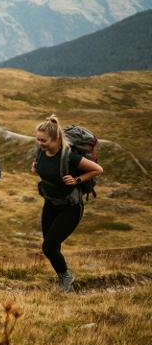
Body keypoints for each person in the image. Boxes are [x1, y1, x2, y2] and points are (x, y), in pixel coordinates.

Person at [32, 115, 103, 292]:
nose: (40, 143)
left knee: (48, 246)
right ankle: (64, 280)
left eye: (44, 140)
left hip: (70, 208)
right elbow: (43, 168)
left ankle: (66, 277)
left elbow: (97, 169)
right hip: (50, 204)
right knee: (52, 246)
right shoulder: (42, 151)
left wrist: (77, 179)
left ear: (56, 139)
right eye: (38, 139)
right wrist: (36, 168)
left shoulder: (69, 155)